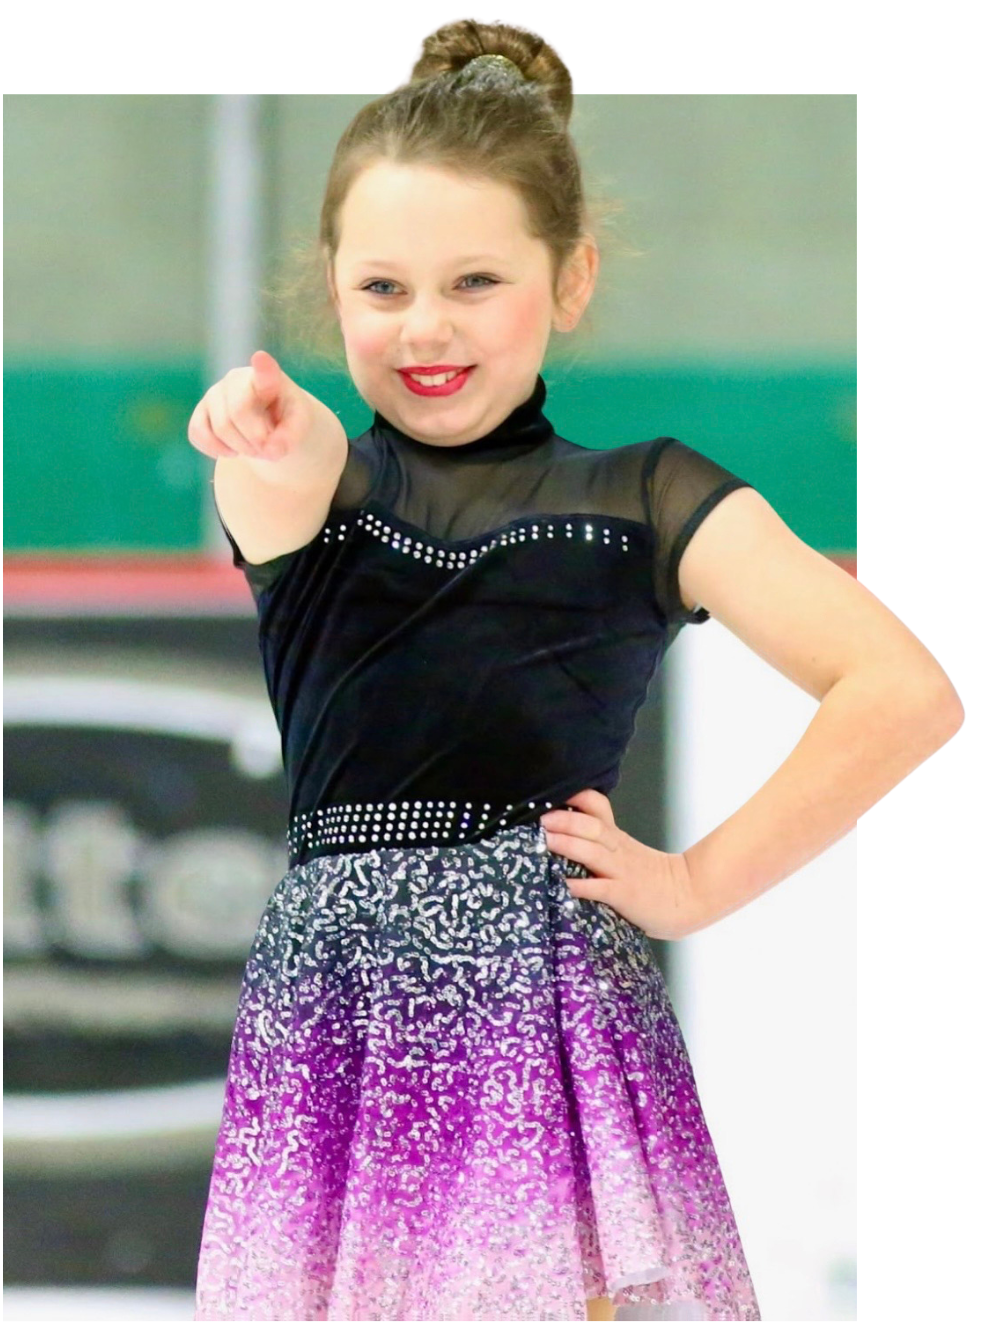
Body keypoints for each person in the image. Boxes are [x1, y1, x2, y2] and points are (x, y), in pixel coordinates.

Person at [187, 33, 957, 1322]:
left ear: (571, 277)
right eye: (382, 288)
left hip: (546, 1014)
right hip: (341, 1026)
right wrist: (253, 419)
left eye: (474, 281)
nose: (425, 327)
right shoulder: (315, 485)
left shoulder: (645, 496)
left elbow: (902, 689)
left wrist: (699, 883)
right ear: (332, 289)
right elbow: (290, 447)